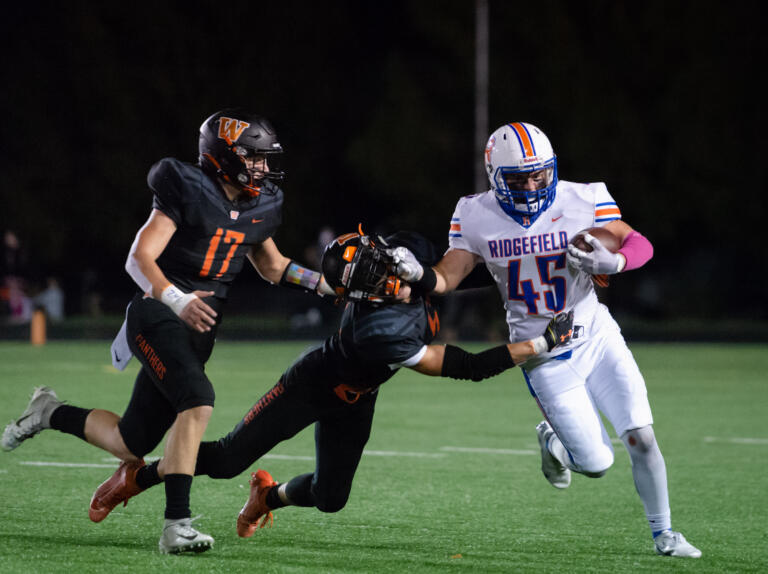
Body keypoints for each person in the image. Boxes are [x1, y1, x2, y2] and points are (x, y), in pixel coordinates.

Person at [4, 229, 573, 539]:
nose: (397, 282)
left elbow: (453, 278)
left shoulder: (409, 260)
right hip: (315, 384)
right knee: (225, 458)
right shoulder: (378, 329)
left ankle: (267, 496)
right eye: (383, 282)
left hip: (358, 398)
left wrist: (548, 273)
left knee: (331, 499)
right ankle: (140, 476)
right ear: (371, 294)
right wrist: (541, 344)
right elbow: (469, 367)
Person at [1, 109, 334, 554]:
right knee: (197, 399)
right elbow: (139, 257)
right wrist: (178, 299)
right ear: (223, 157)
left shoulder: (263, 202)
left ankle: (47, 411)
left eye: (264, 159)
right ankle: (176, 524)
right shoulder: (187, 186)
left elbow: (271, 265)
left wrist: (325, 284)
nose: (263, 168)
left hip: (199, 328)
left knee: (130, 441)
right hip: (158, 313)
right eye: (253, 159)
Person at [389, 122, 701, 559]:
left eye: (539, 174)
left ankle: (664, 532)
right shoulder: (475, 213)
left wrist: (615, 259)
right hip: (543, 352)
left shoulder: (583, 197)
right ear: (495, 174)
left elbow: (638, 242)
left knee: (641, 436)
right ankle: (552, 440)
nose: (532, 185)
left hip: (595, 333)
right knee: (596, 465)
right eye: (519, 178)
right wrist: (414, 273)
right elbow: (447, 276)